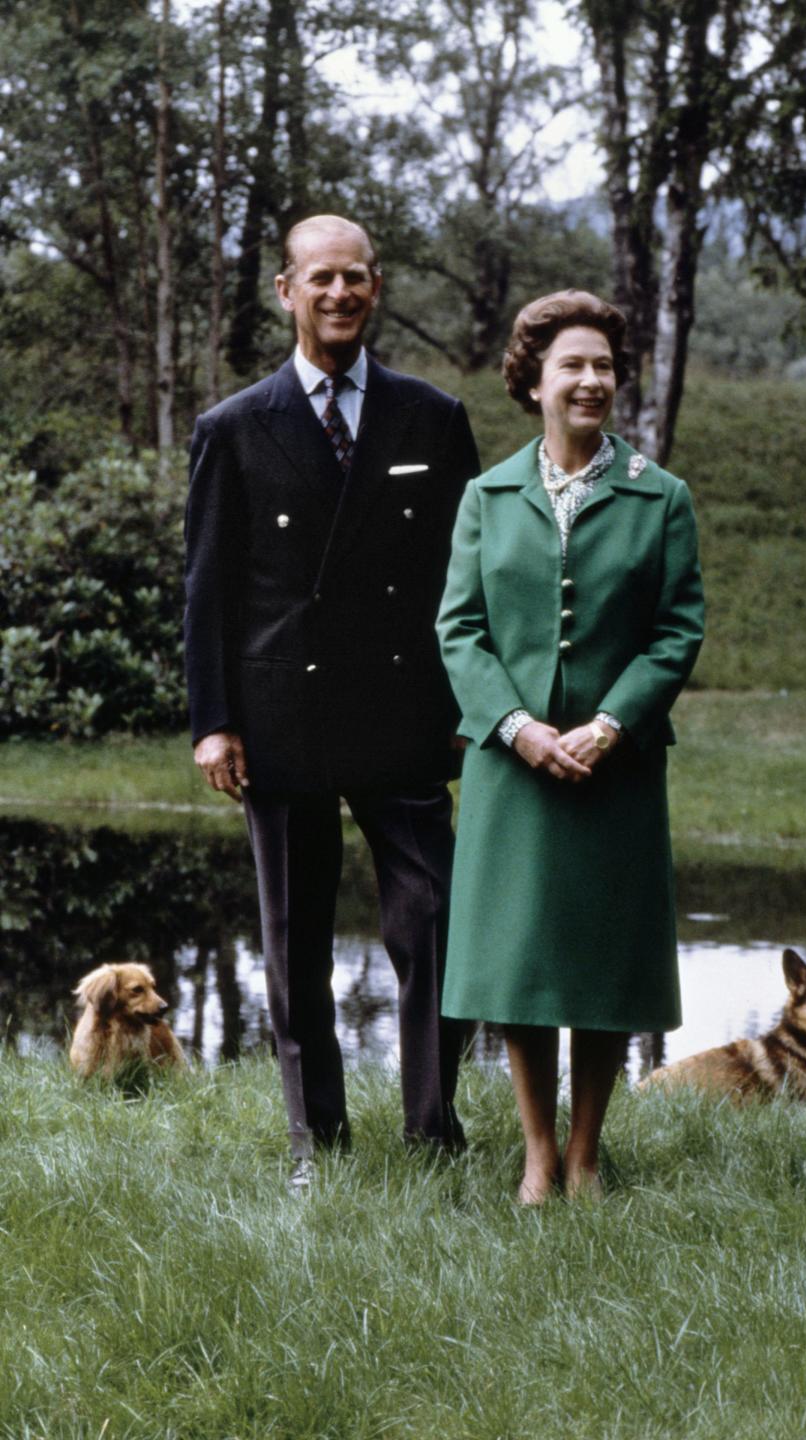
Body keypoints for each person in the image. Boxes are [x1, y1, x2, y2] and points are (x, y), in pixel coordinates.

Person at [184, 214, 480, 1186]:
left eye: (355, 277)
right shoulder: (234, 428)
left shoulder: (431, 417)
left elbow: (463, 574)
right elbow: (209, 587)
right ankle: (318, 1143)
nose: (339, 294)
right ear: (286, 290)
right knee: (293, 945)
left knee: (435, 920)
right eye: (321, 279)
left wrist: (470, 704)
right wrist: (213, 721)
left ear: (377, 286)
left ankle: (433, 1133)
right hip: (281, 723)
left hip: (405, 715)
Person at [436, 290, 704, 1203]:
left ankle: (588, 1155)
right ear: (535, 382)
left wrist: (609, 724)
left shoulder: (662, 498)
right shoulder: (486, 495)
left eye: (603, 366)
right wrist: (517, 728)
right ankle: (538, 1154)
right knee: (522, 962)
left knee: (599, 960)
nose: (591, 382)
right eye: (572, 367)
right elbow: (460, 630)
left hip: (613, 766)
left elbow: (676, 631)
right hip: (512, 765)